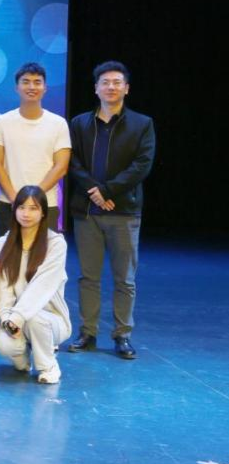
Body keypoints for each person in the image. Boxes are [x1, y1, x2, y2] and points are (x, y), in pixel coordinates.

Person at [67, 61, 155, 360]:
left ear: (126, 88)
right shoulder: (80, 123)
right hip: (87, 212)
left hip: (124, 211)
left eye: (117, 82)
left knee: (124, 279)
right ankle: (87, 332)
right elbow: (72, 162)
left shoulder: (142, 124)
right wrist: (95, 191)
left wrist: (107, 191)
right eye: (105, 82)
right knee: (88, 277)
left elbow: (142, 165)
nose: (111, 87)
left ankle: (122, 335)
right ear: (96, 88)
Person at [0, 186, 70, 384]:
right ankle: (24, 360)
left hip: (51, 319)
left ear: (43, 212)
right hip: (15, 319)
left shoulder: (56, 244)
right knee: (3, 344)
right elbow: (2, 289)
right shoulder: (2, 244)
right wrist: (7, 319)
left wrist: (17, 317)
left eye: (33, 208)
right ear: (14, 210)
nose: (26, 214)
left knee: (35, 318)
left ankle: (48, 366)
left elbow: (42, 286)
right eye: (21, 207)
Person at [0, 62, 70, 235]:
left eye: (37, 82)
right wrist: (16, 199)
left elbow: (61, 167)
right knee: (7, 252)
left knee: (44, 252)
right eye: (26, 82)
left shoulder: (58, 123)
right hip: (9, 202)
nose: (32, 87)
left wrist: (34, 197)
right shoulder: (2, 122)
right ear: (17, 88)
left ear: (45, 88)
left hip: (45, 204)